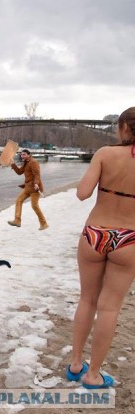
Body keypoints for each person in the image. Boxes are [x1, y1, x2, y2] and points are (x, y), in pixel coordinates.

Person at [66, 107, 135, 389]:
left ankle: (75, 363)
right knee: (109, 309)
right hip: (129, 238)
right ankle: (93, 375)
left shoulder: (105, 153)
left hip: (95, 234)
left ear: (122, 128)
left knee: (87, 300)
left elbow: (82, 193)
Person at [7, 148, 48, 230]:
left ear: (29, 155)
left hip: (34, 188)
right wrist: (13, 164)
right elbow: (19, 172)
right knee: (19, 200)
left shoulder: (33, 162)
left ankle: (44, 224)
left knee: (34, 206)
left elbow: (37, 174)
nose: (22, 156)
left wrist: (36, 184)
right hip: (27, 188)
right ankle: (17, 220)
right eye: (21, 154)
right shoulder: (26, 163)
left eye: (24, 154)